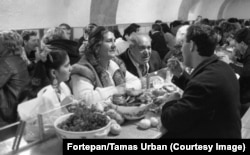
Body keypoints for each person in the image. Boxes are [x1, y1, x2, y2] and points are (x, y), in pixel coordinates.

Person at [160, 24, 241, 138]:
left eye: (183, 43)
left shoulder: (205, 82)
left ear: (192, 45)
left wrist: (169, 101)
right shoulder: (222, 66)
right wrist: (181, 74)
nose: (181, 49)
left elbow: (172, 121)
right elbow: (202, 93)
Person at [70, 26, 141, 105]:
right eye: (109, 41)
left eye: (114, 40)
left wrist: (123, 89)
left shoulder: (115, 64)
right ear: (96, 46)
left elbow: (136, 81)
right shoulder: (83, 69)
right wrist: (115, 90)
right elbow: (84, 100)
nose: (114, 45)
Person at [0, 30, 30, 126]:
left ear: (6, 45)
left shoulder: (5, 63)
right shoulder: (18, 59)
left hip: (9, 113)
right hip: (19, 108)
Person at [234, 28, 250, 116]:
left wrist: (231, 64)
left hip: (247, 94)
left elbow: (246, 73)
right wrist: (237, 59)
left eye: (236, 43)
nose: (235, 46)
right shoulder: (247, 51)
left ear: (243, 43)